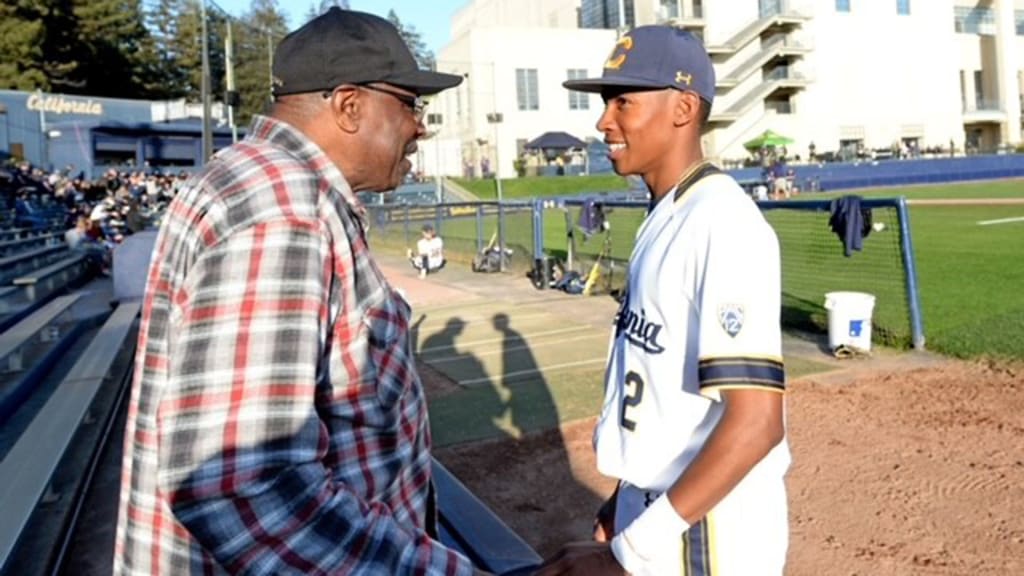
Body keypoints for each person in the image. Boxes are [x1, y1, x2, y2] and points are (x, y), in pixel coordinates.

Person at [114, 9, 490, 575]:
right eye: (409, 103)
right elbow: (243, 488)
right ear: (348, 105)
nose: (420, 126)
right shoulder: (282, 205)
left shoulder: (256, 179)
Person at [541, 25, 789, 575]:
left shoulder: (721, 222)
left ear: (682, 107)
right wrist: (623, 501)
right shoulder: (668, 213)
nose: (604, 120)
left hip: (708, 532)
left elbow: (756, 423)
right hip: (659, 510)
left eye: (623, 101)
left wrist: (631, 549)